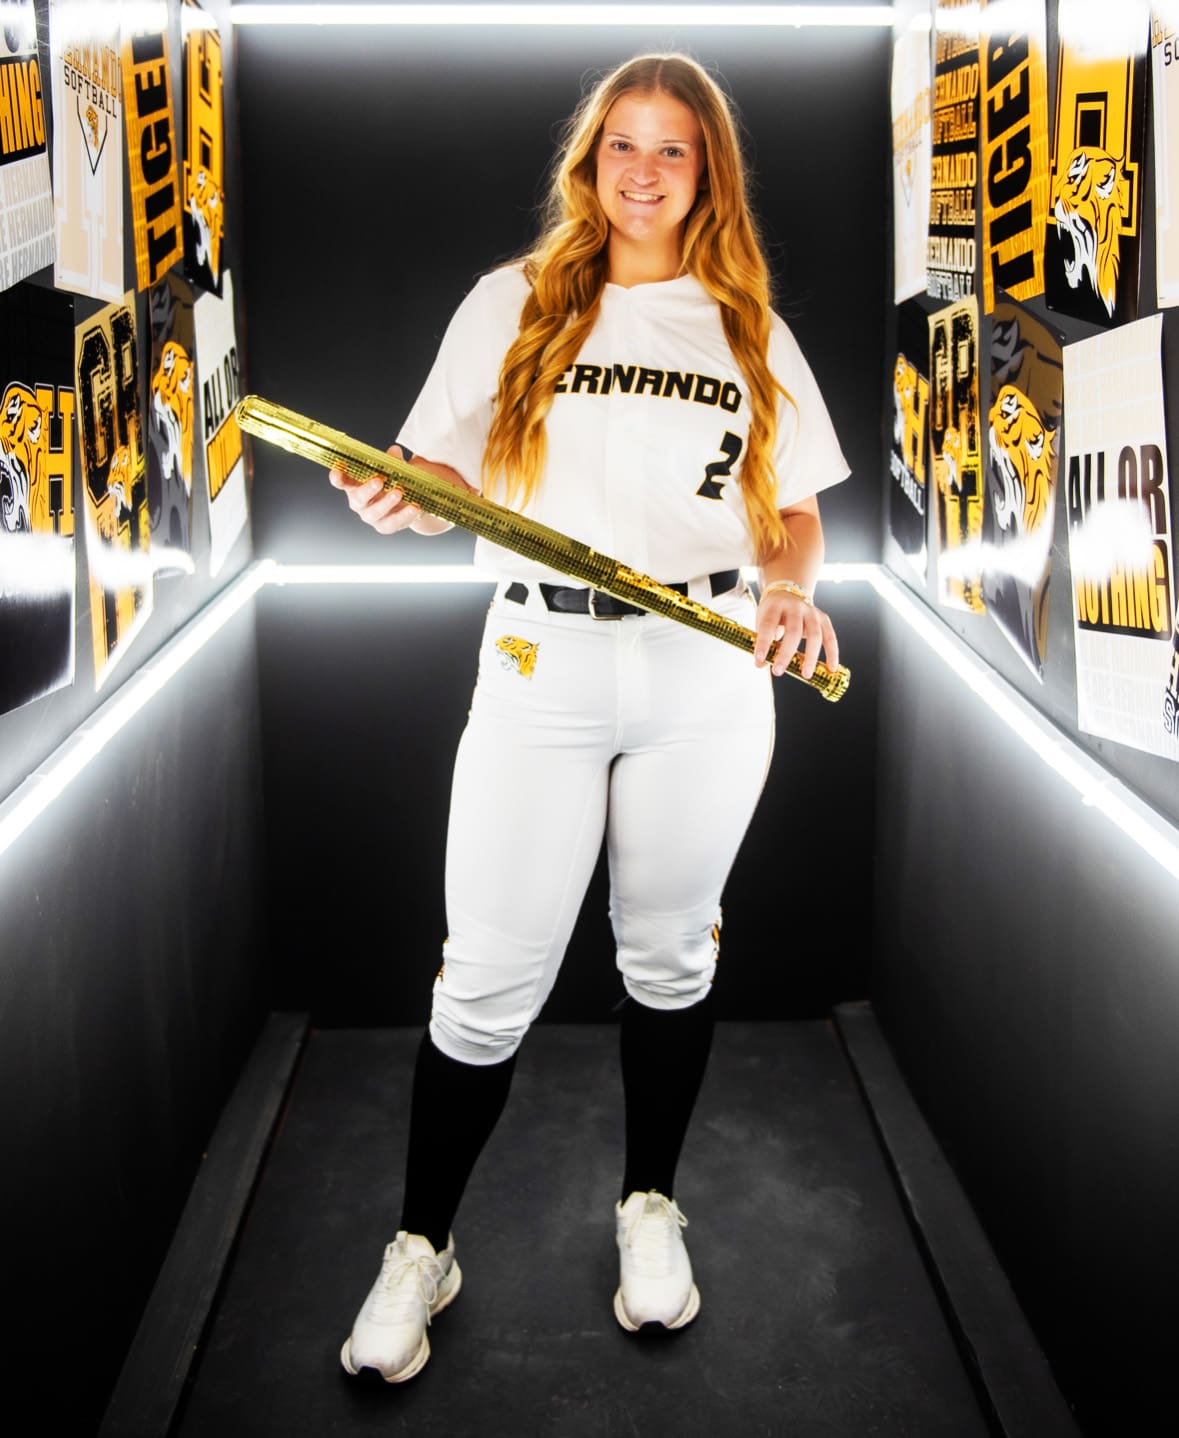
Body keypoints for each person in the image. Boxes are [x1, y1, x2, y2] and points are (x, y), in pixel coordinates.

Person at [329, 52, 848, 1384]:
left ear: (707, 173)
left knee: (669, 954)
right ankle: (421, 1243)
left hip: (706, 671)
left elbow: (794, 510)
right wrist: (402, 497)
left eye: (675, 150)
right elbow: (435, 470)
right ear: (591, 159)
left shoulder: (747, 325)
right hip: (538, 660)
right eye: (625, 143)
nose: (645, 170)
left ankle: (651, 1208)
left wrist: (791, 591)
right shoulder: (512, 301)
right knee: (487, 975)